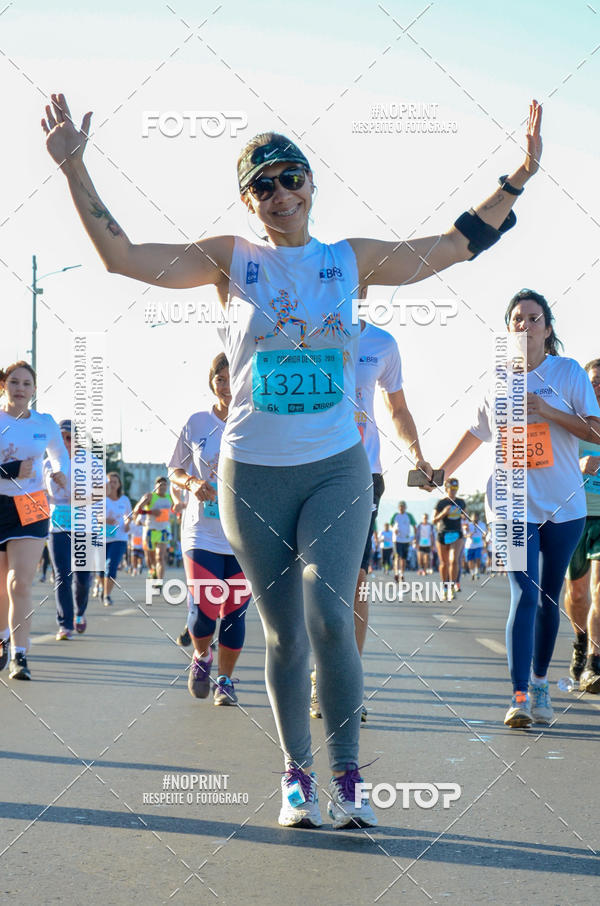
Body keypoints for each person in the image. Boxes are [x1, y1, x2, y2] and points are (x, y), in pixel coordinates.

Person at [43, 90, 541, 827]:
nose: (280, 193)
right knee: (283, 632)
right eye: (263, 185)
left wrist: (520, 176)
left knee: (331, 619)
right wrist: (74, 170)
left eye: (291, 177)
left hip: (337, 467)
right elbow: (121, 257)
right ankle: (297, 775)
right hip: (252, 474)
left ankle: (349, 777)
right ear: (249, 201)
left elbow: (451, 246)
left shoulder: (349, 260)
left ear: (311, 184)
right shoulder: (231, 260)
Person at [436, 291, 600, 727]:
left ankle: (541, 682)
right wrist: (442, 470)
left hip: (563, 506)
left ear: (548, 329)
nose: (524, 325)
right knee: (523, 593)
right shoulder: (497, 379)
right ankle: (520, 696)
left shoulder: (567, 372)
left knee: (548, 598)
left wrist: (548, 410)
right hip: (510, 505)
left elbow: (596, 431)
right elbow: (476, 432)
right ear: (508, 329)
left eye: (533, 318)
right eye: (516, 319)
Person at [169, 354, 251, 705]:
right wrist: (191, 483)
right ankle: (202, 656)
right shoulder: (197, 422)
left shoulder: (258, 420)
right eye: (220, 379)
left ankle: (225, 680)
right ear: (211, 382)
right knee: (204, 607)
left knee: (234, 611)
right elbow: (174, 469)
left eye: (233, 379)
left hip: (245, 534)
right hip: (202, 530)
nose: (227, 387)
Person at [0, 362, 68, 679]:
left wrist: (60, 473)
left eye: (26, 384)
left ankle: (20, 655)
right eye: (14, 382)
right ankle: (3, 638)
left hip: (31, 506)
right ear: (4, 385)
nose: (20, 389)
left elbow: (59, 455)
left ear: (34, 390)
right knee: (1, 587)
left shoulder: (45, 423)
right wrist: (11, 470)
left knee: (19, 582)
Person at [564, 358, 600, 693]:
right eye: (594, 381)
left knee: (599, 591)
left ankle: (593, 660)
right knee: (576, 593)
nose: (598, 387)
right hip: (574, 514)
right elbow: (548, 462)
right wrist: (579, 463)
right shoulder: (573, 421)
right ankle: (580, 640)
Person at [43, 419, 94, 638]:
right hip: (58, 524)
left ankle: (79, 612)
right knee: (62, 575)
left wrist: (71, 491)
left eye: (70, 438)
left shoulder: (88, 462)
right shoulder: (47, 463)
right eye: (61, 437)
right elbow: (42, 494)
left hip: (83, 525)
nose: (65, 442)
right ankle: (65, 624)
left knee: (82, 577)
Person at [432, 478, 467, 601]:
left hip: (456, 534)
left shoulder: (461, 502)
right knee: (444, 563)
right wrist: (444, 513)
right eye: (451, 488)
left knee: (453, 560)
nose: (453, 491)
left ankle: (452, 587)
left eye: (455, 488)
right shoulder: (441, 503)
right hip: (443, 533)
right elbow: (434, 520)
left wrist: (464, 517)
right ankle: (444, 588)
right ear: (446, 488)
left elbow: (465, 516)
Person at [133, 477, 172, 585]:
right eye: (160, 485)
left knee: (160, 556)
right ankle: (152, 570)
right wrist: (150, 512)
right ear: (155, 486)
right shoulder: (149, 496)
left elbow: (175, 509)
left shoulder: (169, 498)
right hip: (150, 530)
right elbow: (137, 510)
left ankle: (159, 581)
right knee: (150, 558)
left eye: (164, 485)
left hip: (164, 530)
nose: (162, 487)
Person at [103, 472, 132, 606]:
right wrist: (105, 520)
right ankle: (101, 586)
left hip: (119, 538)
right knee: (100, 570)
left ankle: (106, 595)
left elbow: (128, 515)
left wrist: (127, 523)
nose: (112, 484)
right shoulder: (101, 499)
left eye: (115, 482)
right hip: (102, 538)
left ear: (119, 484)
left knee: (111, 566)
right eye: (110, 482)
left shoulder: (124, 500)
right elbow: (93, 516)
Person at [390, 501, 416, 582]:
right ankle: (396, 573)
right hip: (397, 539)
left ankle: (402, 574)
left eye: (403, 506)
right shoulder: (395, 515)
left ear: (405, 507)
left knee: (403, 558)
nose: (402, 508)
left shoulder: (409, 515)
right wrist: (394, 529)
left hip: (406, 540)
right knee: (397, 556)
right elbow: (391, 525)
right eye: (400, 506)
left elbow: (414, 526)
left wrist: (415, 537)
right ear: (398, 507)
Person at [463, 511, 487, 581]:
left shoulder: (482, 524)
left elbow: (485, 533)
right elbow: (465, 535)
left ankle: (477, 572)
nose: (475, 519)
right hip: (469, 545)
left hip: (479, 545)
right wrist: (469, 534)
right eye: (473, 518)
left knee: (478, 558)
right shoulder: (467, 525)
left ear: (478, 517)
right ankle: (472, 572)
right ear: (471, 518)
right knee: (470, 560)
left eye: (476, 517)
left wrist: (484, 538)